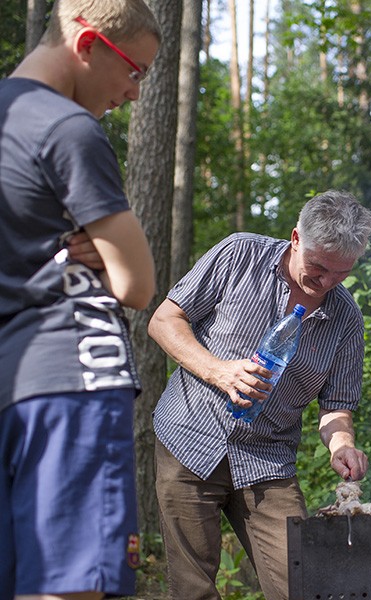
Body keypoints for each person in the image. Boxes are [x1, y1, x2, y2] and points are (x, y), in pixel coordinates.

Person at [0, 1, 160, 599]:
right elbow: (137, 284)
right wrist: (102, 247)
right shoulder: (66, 127)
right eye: (134, 70)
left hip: (12, 385)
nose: (135, 93)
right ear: (87, 43)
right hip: (75, 377)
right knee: (73, 585)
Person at [150, 190, 371, 600]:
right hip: (189, 439)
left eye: (340, 273)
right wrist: (220, 371)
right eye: (318, 267)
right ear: (295, 238)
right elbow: (165, 320)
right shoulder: (239, 255)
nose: (325, 282)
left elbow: (336, 407)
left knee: (303, 585)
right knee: (192, 588)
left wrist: (342, 444)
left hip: (267, 460)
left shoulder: (346, 318)